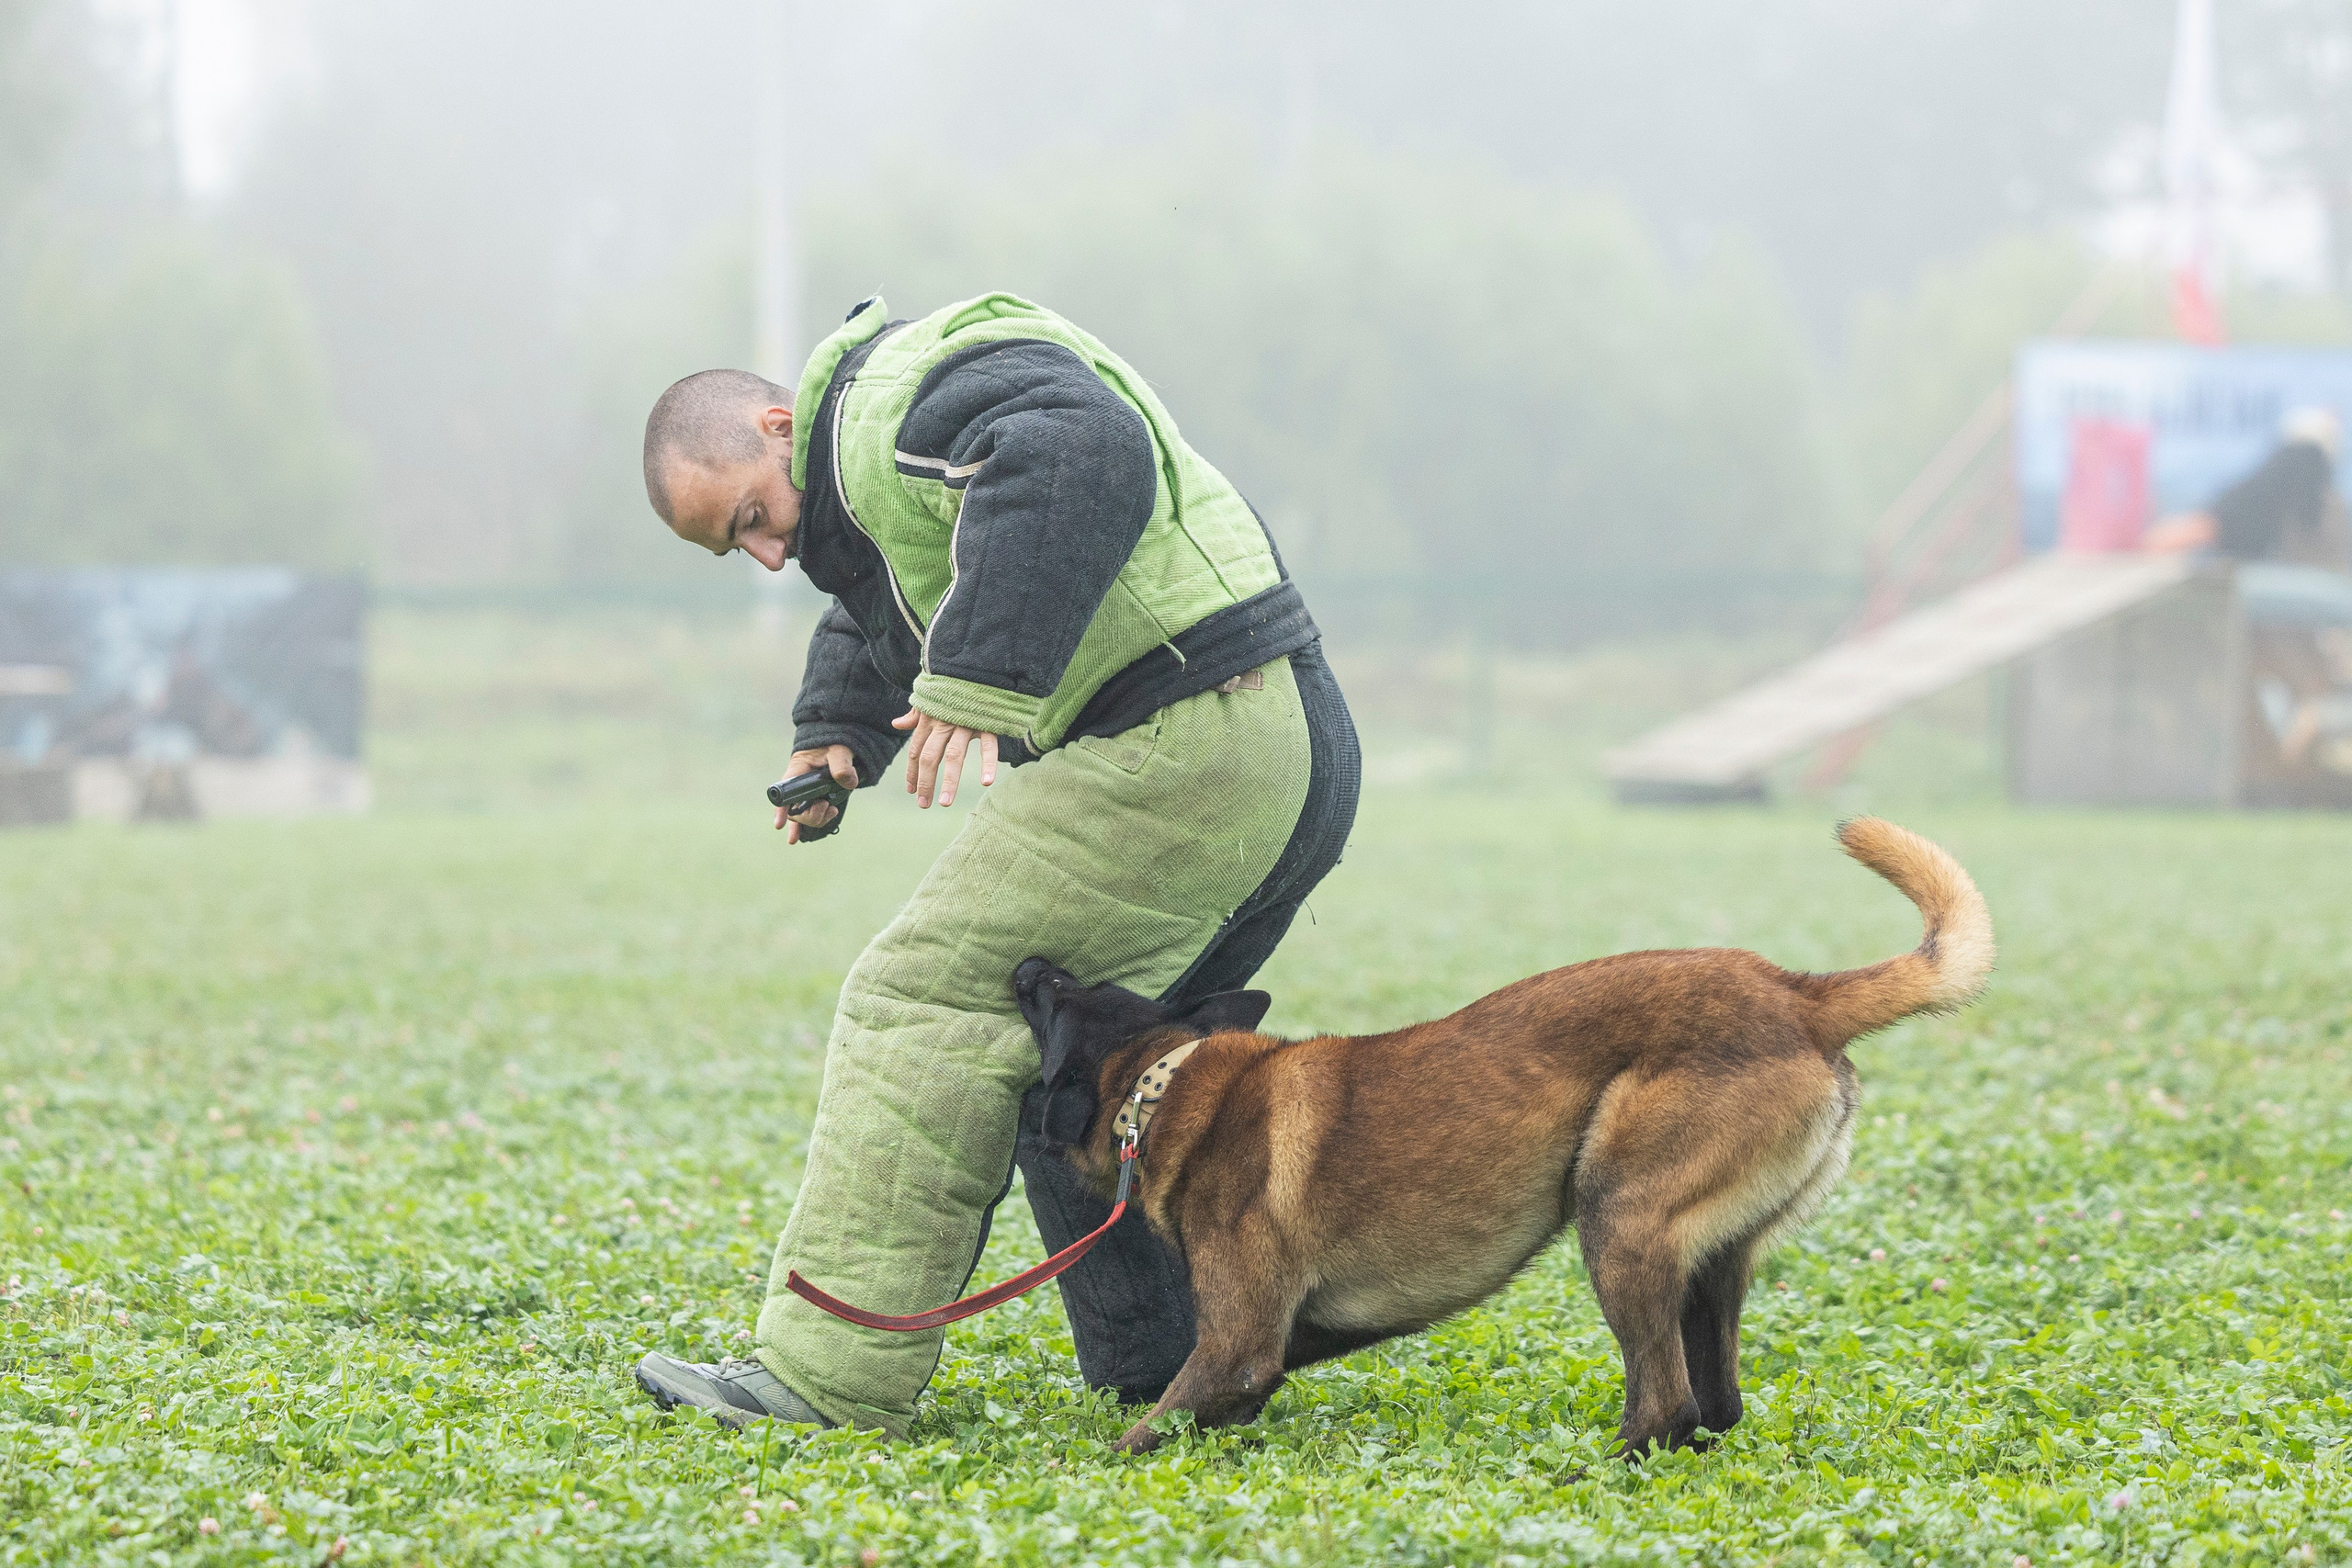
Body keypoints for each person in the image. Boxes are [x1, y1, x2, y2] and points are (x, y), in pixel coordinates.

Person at [628, 293, 1359, 1436]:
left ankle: (825, 1377)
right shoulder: (869, 469)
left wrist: (979, 682)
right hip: (1272, 736)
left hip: (1184, 735)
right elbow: (900, 584)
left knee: (922, 997)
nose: (769, 556)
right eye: (745, 550)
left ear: (778, 427)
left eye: (752, 519)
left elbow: (1081, 449)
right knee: (1070, 1045)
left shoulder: (892, 407)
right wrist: (838, 730)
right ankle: (1171, 1363)